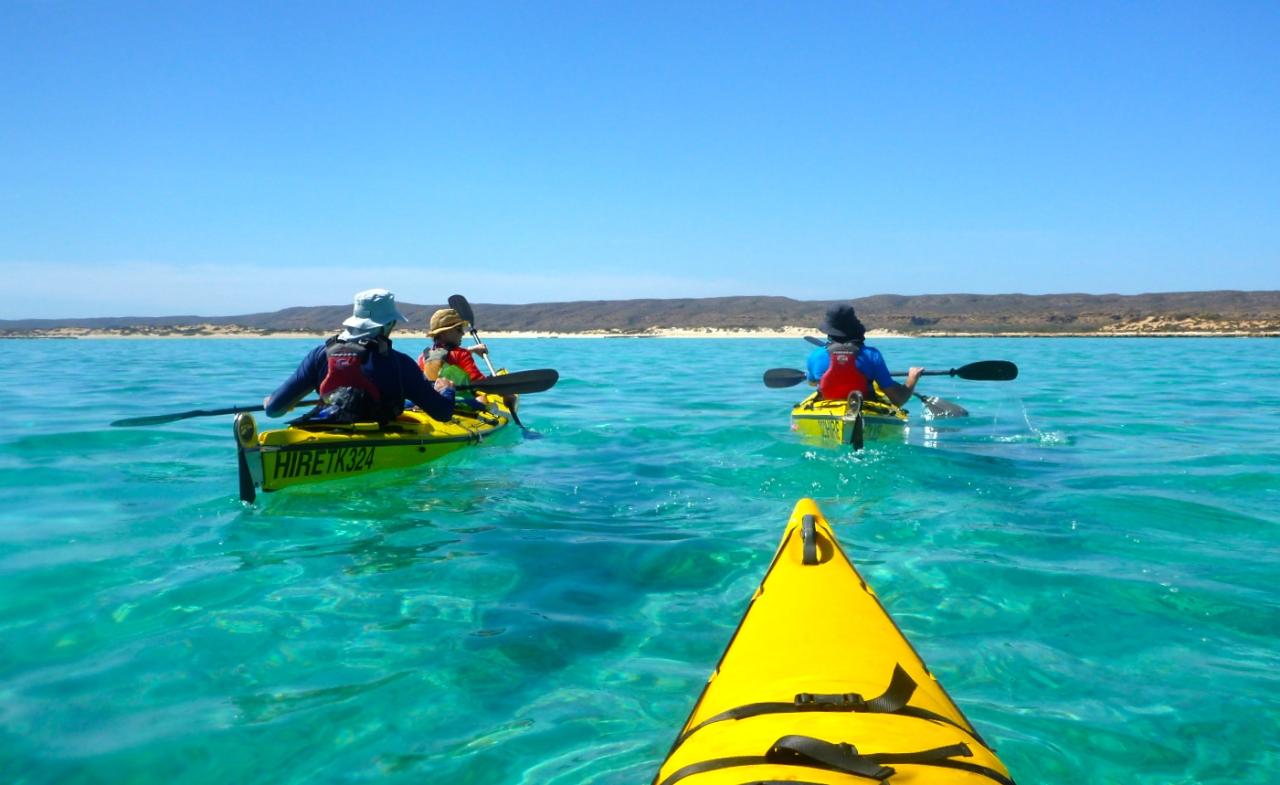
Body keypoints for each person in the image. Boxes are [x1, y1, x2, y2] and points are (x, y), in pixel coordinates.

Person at [264, 289, 457, 424]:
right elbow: (443, 413)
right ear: (387, 325)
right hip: (377, 436)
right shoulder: (400, 363)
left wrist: (272, 402)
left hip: (328, 430)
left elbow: (273, 410)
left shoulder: (319, 355)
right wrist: (446, 391)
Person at [806, 304, 924, 406]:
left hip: (828, 408)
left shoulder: (815, 356)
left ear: (829, 331)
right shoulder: (872, 355)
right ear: (854, 328)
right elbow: (898, 400)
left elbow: (812, 383)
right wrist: (912, 378)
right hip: (864, 407)